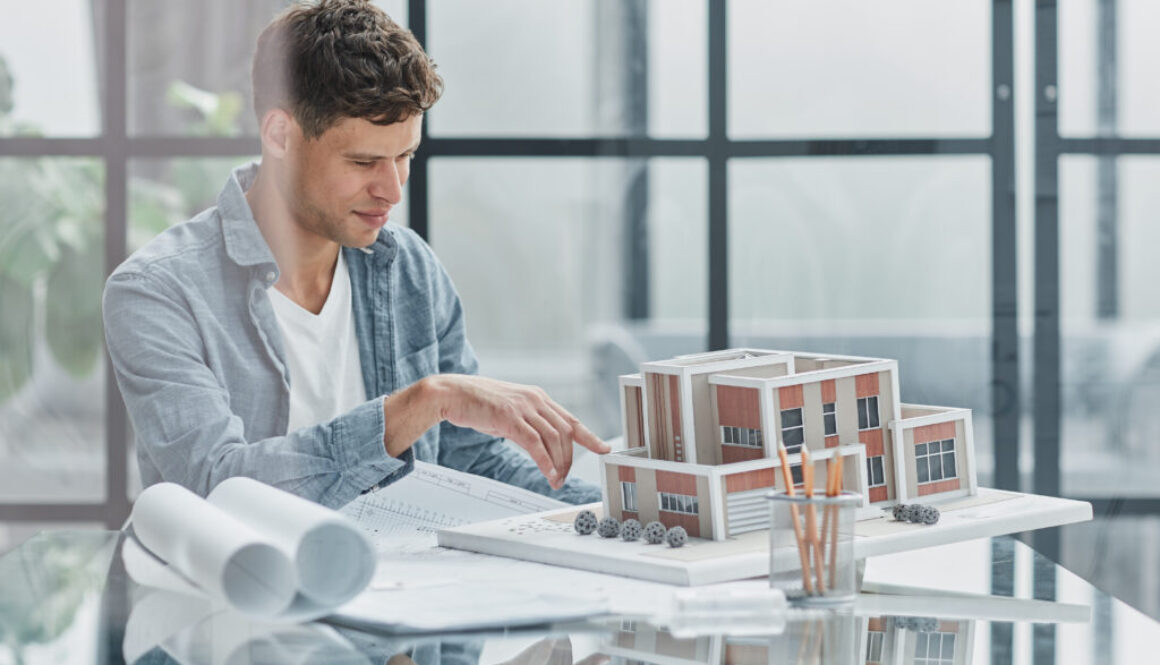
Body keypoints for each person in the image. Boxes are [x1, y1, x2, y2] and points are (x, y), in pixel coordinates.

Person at [102, 0, 609, 510]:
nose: (393, 190)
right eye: (364, 161)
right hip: (239, 586)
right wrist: (420, 405)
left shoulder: (409, 268)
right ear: (280, 135)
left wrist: (629, 508)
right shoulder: (157, 292)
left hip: (412, 582)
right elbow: (215, 485)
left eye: (405, 156)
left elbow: (473, 462)